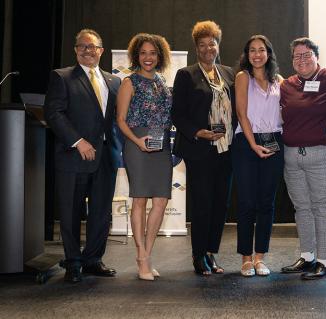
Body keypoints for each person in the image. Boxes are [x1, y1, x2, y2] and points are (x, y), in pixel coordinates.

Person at [44, 29, 121, 283]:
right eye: (82, 46)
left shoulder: (114, 81)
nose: (87, 50)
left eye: (92, 47)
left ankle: (93, 260)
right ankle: (73, 262)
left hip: (106, 158)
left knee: (101, 213)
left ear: (101, 50)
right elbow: (54, 113)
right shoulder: (62, 77)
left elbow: (115, 120)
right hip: (73, 157)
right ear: (76, 50)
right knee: (70, 212)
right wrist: (78, 141)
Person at [172, 20, 235, 276]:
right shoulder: (186, 75)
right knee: (202, 204)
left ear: (218, 45)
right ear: (196, 48)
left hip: (226, 149)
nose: (208, 48)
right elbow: (178, 113)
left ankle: (211, 252)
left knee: (220, 204)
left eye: (212, 43)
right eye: (203, 44)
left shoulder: (229, 73)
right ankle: (198, 255)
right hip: (199, 149)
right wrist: (199, 132)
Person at [280, 38, 326, 280]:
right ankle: (307, 257)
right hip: (292, 156)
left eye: (306, 55)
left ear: (317, 56)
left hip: (324, 154)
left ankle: (325, 261)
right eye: (297, 56)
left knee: (325, 208)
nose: (301, 60)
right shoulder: (287, 84)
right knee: (302, 208)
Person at [116, 33, 172, 281]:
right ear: (136, 56)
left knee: (160, 200)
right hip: (136, 142)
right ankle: (141, 257)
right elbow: (120, 120)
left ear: (159, 55)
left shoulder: (162, 81)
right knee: (139, 200)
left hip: (161, 144)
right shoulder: (129, 82)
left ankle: (147, 255)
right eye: (143, 53)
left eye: (153, 53)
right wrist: (138, 141)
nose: (148, 58)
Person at [233, 35, 283, 277]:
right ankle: (245, 258)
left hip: (274, 140)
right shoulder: (243, 77)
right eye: (252, 50)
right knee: (246, 202)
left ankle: (260, 257)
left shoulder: (279, 81)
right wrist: (253, 144)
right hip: (246, 142)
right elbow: (241, 113)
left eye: (261, 50)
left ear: (269, 53)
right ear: (247, 54)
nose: (257, 54)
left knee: (267, 203)